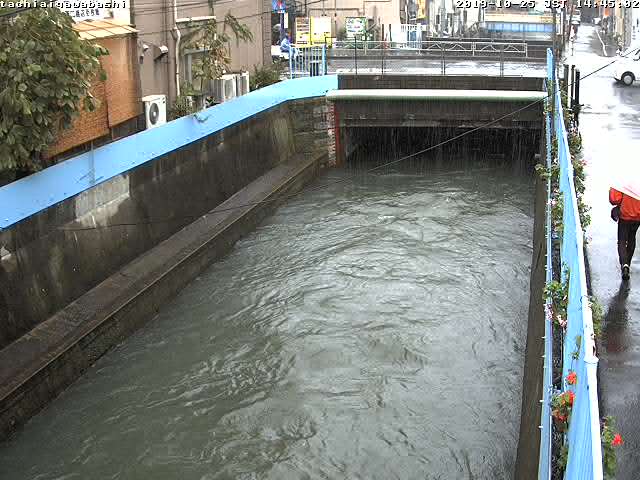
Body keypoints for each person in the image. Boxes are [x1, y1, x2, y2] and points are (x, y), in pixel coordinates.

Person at [610, 187, 640, 280]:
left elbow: (614, 199)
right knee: (632, 238)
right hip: (638, 216)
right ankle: (628, 264)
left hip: (625, 215)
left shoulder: (624, 182)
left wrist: (612, 190)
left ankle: (624, 264)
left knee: (622, 241)